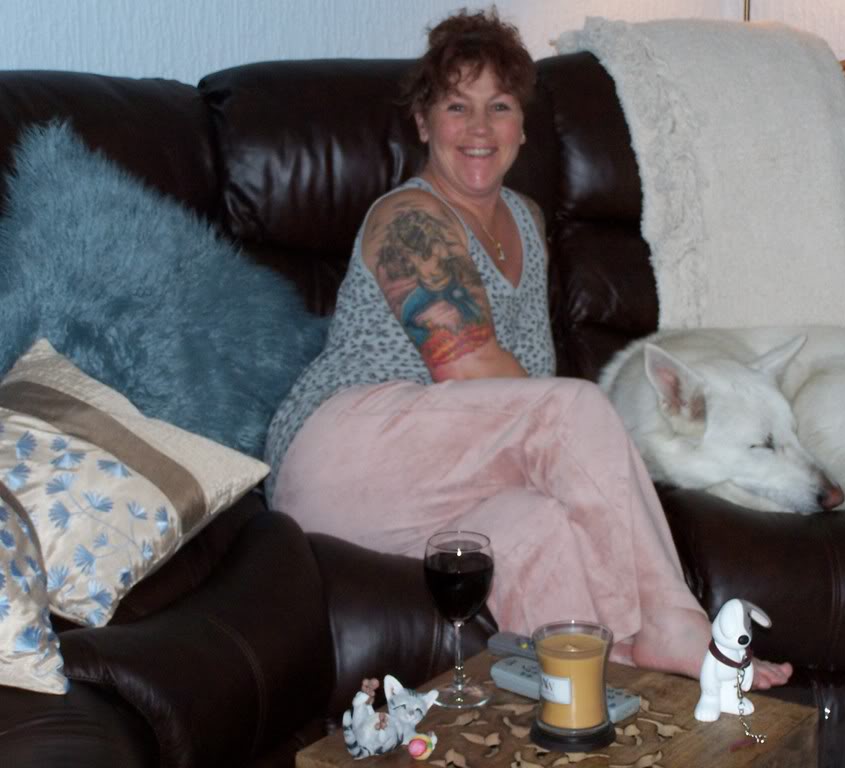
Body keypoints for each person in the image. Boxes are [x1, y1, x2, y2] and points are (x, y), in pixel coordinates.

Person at [264, 7, 792, 690]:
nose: (480, 128)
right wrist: (590, 445)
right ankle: (672, 619)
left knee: (538, 528)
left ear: (521, 126)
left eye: (500, 106)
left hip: (440, 487)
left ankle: (609, 692)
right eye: (457, 106)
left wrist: (587, 482)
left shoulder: (527, 221)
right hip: (340, 459)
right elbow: (475, 375)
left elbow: (528, 385)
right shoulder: (409, 219)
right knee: (575, 410)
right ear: (423, 122)